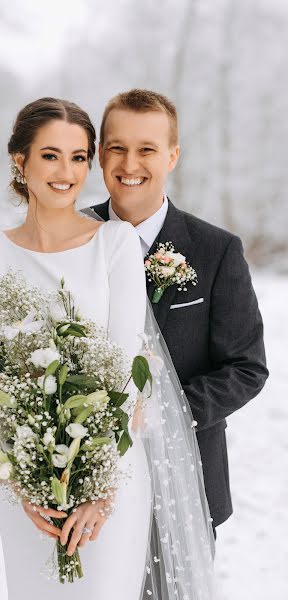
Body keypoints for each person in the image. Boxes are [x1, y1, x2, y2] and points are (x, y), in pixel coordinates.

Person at [0, 97, 215, 599]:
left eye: (79, 157)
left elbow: (124, 367)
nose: (67, 172)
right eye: (51, 155)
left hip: (111, 474)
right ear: (21, 160)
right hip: (27, 485)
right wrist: (21, 481)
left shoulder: (115, 242)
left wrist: (100, 489)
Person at [86, 89, 269, 540]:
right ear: (98, 155)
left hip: (188, 484)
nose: (130, 165)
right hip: (84, 485)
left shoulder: (216, 251)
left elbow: (247, 368)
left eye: (147, 149)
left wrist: (164, 412)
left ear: (172, 156)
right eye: (118, 148)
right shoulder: (70, 239)